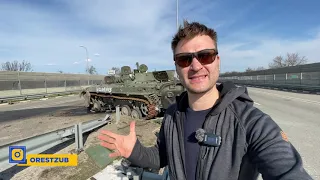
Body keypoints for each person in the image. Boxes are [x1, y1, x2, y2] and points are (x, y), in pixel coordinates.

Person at [98, 20, 313, 180]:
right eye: (184, 59)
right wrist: (135, 151)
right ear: (177, 67)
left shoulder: (251, 123)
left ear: (217, 60)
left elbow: (287, 171)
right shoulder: (173, 116)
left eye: (205, 55)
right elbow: (161, 156)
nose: (195, 66)